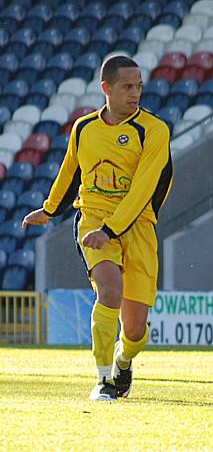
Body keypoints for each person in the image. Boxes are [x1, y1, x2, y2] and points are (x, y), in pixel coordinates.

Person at [22, 55, 173, 402]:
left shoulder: (154, 130)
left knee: (135, 331)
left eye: (139, 87)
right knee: (109, 291)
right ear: (106, 88)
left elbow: (143, 191)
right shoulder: (84, 128)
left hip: (136, 225)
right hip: (91, 218)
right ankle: (104, 379)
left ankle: (123, 359)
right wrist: (50, 209)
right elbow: (70, 172)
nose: (135, 94)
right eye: (127, 87)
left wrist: (112, 228)